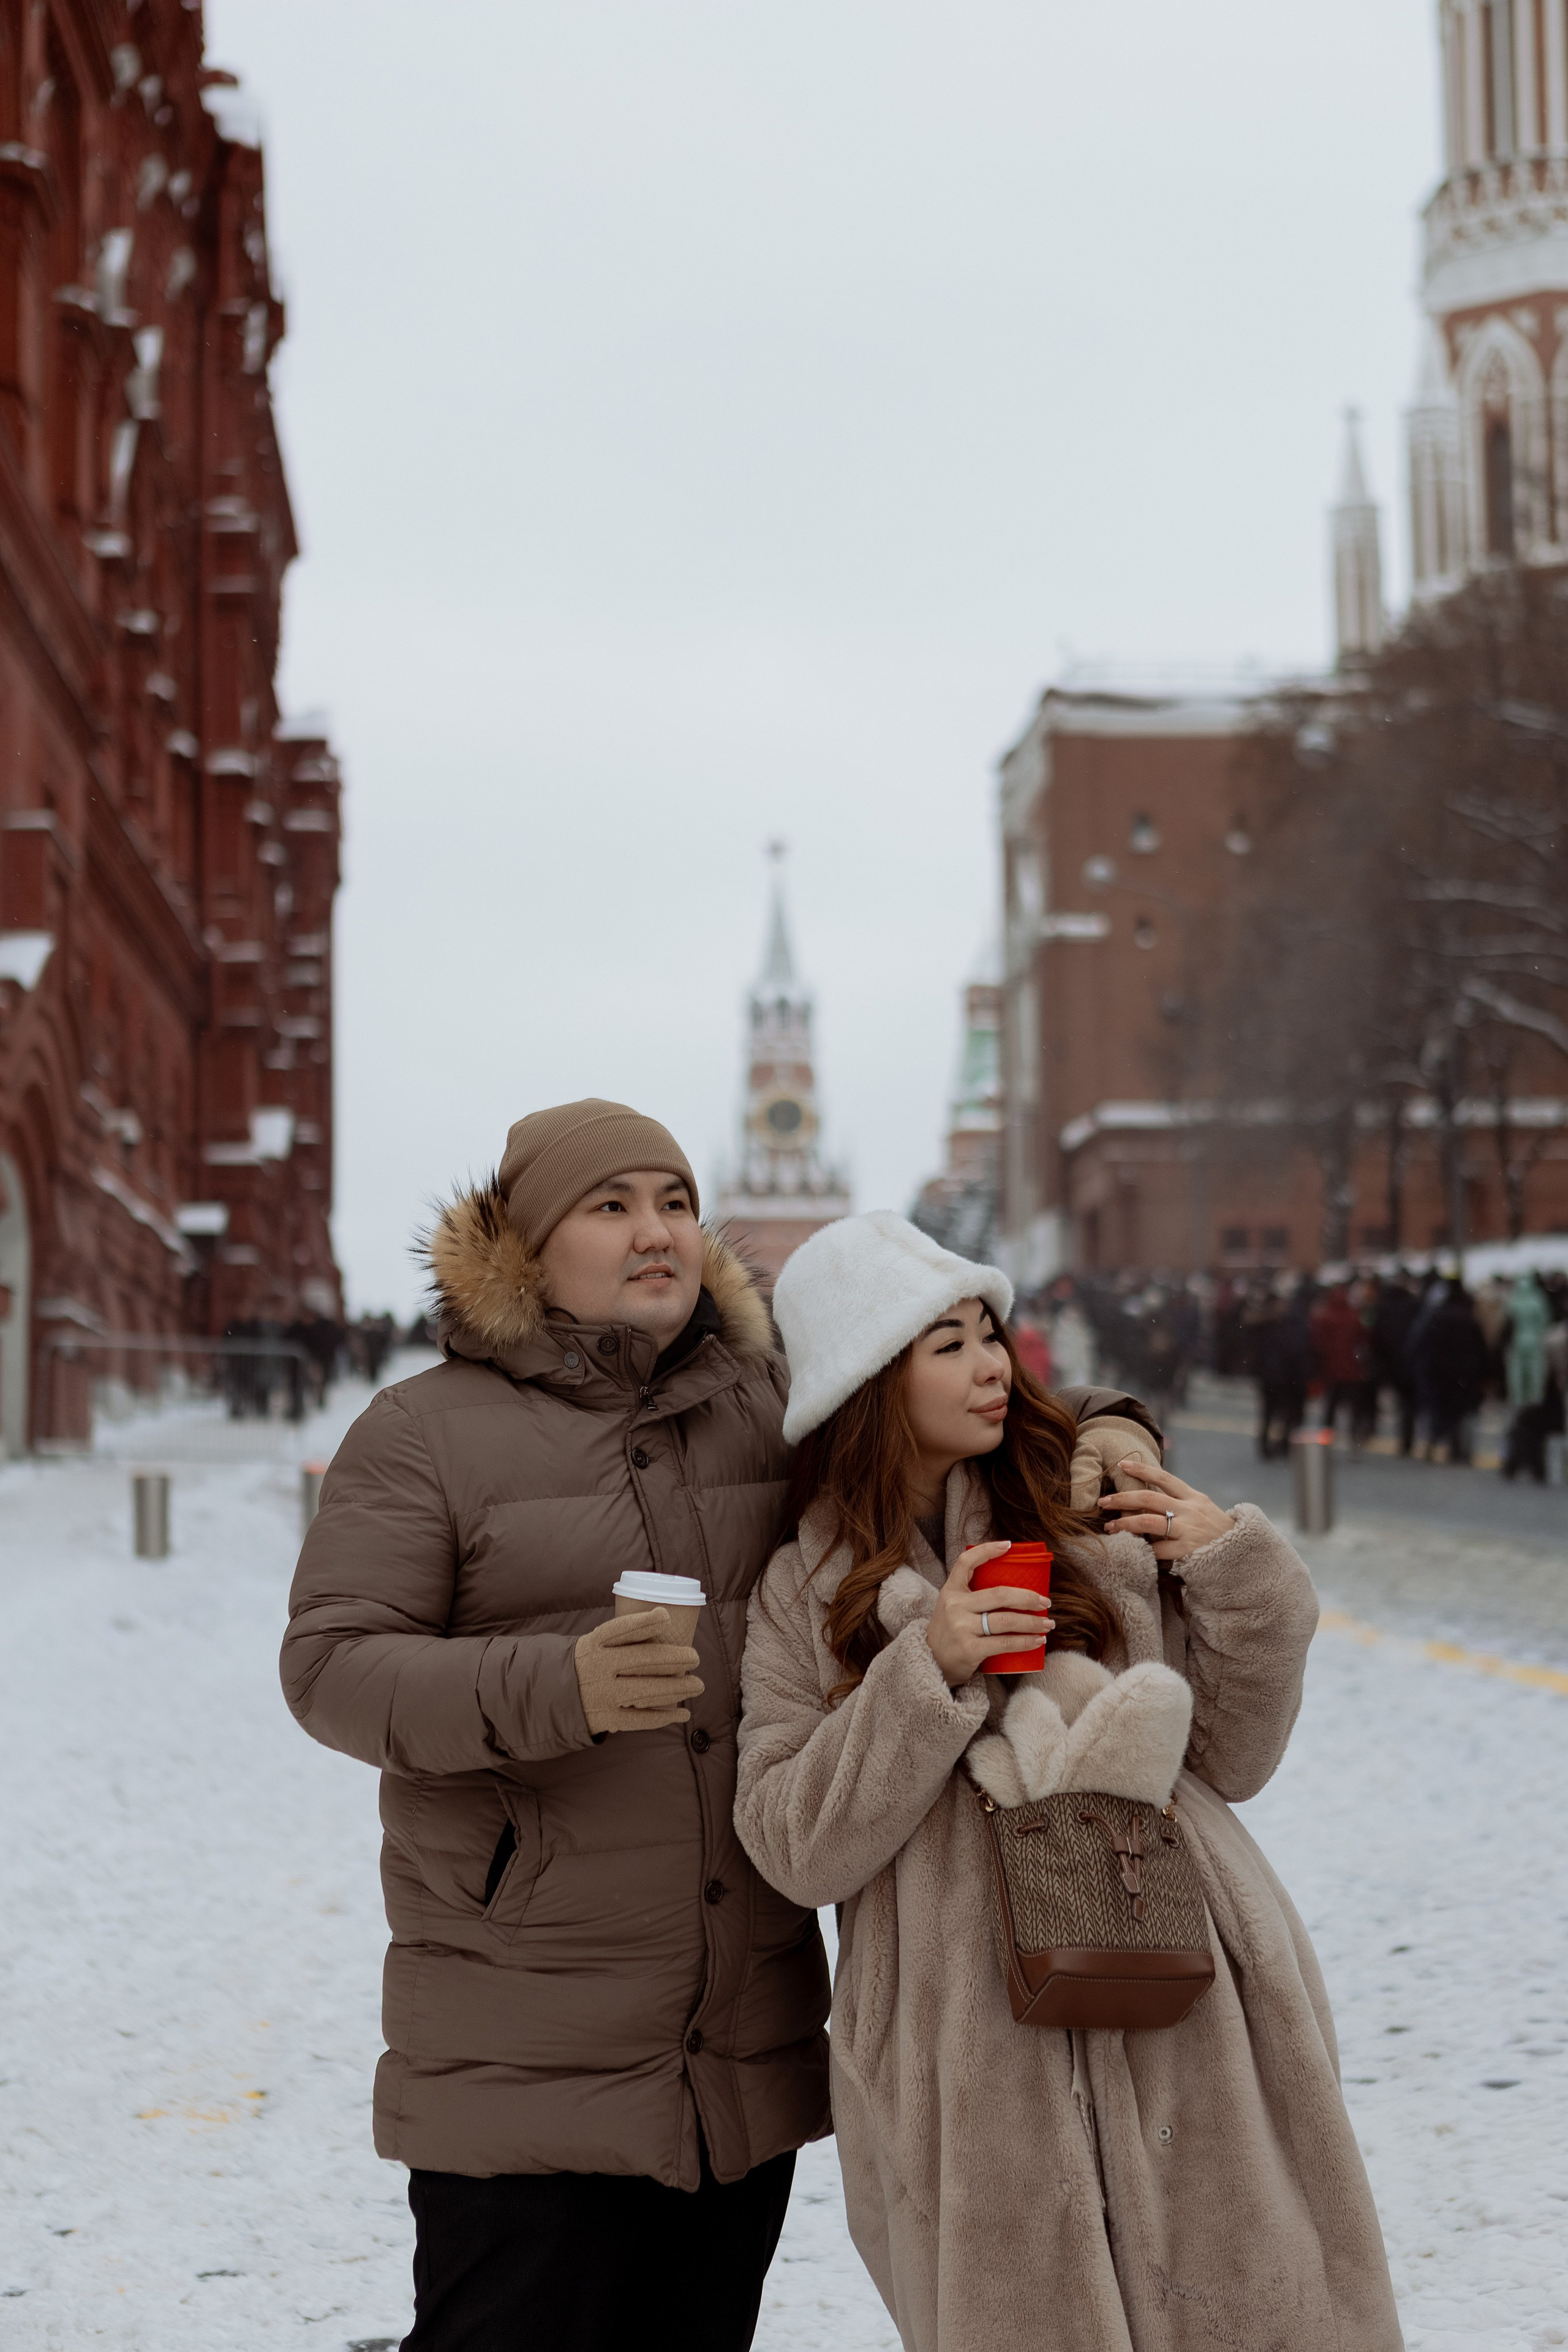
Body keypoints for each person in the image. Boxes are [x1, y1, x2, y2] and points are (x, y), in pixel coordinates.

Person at [280, 1105, 1160, 2352]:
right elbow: (328, 1667)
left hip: (736, 2051)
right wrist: (560, 1685)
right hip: (523, 2043)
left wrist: (1109, 1423)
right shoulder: (422, 1432)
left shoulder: (766, 1403)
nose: (656, 1232)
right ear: (527, 1241)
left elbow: (949, 1394)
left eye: (676, 1203)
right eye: (612, 1206)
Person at [734, 1212, 1400, 2352]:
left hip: (1185, 2000)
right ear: (868, 1380)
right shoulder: (805, 1588)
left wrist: (1233, 1572)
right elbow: (792, 1845)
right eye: (947, 1343)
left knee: (1243, 2305)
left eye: (990, 1331)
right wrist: (926, 1671)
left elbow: (1234, 1759)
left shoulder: (1084, 1514)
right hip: (963, 2053)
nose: (993, 1363)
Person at [1413, 1278, 1490, 1464]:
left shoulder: (1436, 1316)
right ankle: (1462, 1452)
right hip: (1465, 1374)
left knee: (1438, 1412)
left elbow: (1422, 1345)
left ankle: (1433, 1446)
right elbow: (1481, 1350)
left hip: (1439, 1372)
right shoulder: (1470, 1319)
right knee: (1463, 1413)